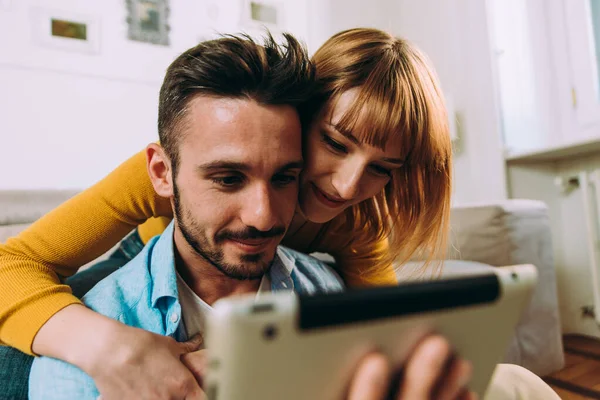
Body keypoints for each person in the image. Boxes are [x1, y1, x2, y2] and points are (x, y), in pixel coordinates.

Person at [0, 29, 559, 399]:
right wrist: (107, 344)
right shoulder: (164, 176)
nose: (346, 186)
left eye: (380, 168)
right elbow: (14, 262)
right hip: (157, 252)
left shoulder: (357, 223)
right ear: (302, 115)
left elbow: (389, 329)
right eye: (337, 144)